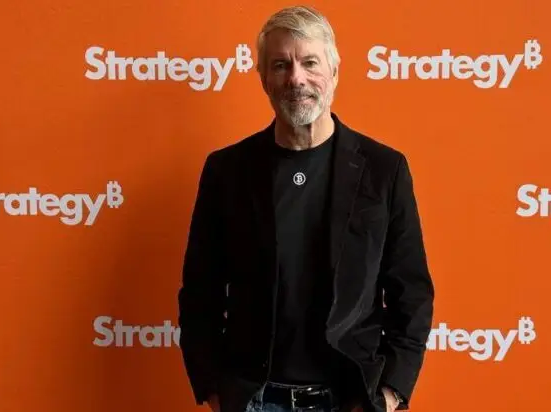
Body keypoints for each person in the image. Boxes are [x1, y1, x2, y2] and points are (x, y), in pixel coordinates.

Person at [178, 5, 434, 412]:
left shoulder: (385, 169)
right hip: (253, 400)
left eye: (309, 62)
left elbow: (412, 293)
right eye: (280, 65)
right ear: (263, 78)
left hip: (349, 398)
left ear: (334, 71)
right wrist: (214, 388)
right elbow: (200, 292)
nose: (296, 78)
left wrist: (389, 394)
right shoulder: (226, 170)